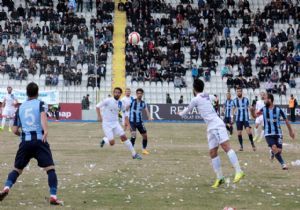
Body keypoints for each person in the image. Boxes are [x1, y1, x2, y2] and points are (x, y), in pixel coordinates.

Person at [0, 82, 63, 205]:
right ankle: (53, 196)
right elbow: (43, 116)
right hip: (40, 140)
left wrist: (24, 135)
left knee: (17, 169)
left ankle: (6, 188)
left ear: (27, 93)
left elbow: (14, 130)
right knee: (50, 169)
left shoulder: (20, 108)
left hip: (25, 142)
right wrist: (45, 131)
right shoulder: (40, 103)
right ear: (37, 92)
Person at [178, 79, 244, 188]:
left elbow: (188, 109)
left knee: (226, 147)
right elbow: (216, 98)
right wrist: (216, 106)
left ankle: (239, 171)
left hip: (217, 125)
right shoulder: (207, 95)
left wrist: (180, 113)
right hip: (210, 127)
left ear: (194, 88)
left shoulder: (196, 99)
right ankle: (220, 178)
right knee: (213, 152)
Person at [96, 87, 142, 160]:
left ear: (120, 94)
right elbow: (97, 106)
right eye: (115, 92)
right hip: (107, 124)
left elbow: (125, 114)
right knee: (112, 143)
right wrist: (99, 116)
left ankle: (134, 154)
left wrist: (129, 125)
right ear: (113, 93)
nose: (117, 93)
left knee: (124, 137)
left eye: (118, 92)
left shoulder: (121, 103)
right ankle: (105, 140)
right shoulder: (108, 100)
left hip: (115, 123)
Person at [256, 93, 295, 170]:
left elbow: (286, 120)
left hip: (278, 133)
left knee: (279, 151)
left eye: (266, 99)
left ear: (270, 100)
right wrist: (251, 111)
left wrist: (291, 131)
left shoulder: (278, 109)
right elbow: (255, 116)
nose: (264, 100)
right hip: (268, 133)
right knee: (274, 147)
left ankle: (272, 152)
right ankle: (283, 164)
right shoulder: (263, 109)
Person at [129, 88, 153, 155]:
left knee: (145, 136)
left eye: (140, 93)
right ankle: (132, 150)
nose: (139, 95)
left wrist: (149, 117)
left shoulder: (143, 103)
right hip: (132, 122)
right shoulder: (132, 101)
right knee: (133, 135)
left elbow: (146, 110)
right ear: (136, 94)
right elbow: (126, 108)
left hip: (140, 122)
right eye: (138, 93)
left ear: (142, 94)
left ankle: (144, 149)